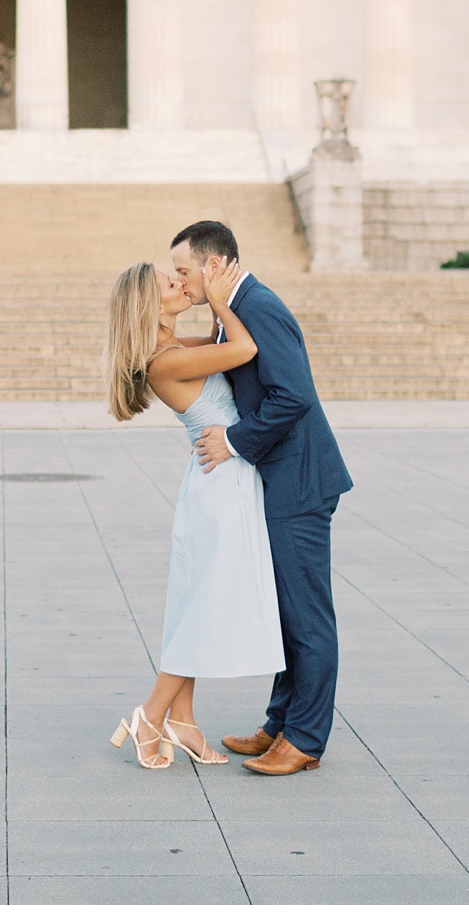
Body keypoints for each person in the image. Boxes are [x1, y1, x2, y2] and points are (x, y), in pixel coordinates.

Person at [171, 219, 354, 776]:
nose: (180, 281)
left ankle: (305, 739)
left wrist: (231, 440)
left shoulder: (258, 306)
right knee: (285, 609)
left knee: (306, 614)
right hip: (282, 479)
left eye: (184, 271)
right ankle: (280, 723)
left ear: (213, 265)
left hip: (299, 480)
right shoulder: (235, 309)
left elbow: (292, 395)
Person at [101, 259, 284, 770]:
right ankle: (151, 713)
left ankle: (182, 722)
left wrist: (218, 309)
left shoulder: (177, 349)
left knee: (193, 607)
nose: (181, 283)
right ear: (147, 304)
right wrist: (224, 299)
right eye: (170, 282)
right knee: (205, 608)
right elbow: (245, 349)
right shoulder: (164, 361)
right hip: (220, 489)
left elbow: (223, 344)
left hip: (219, 480)